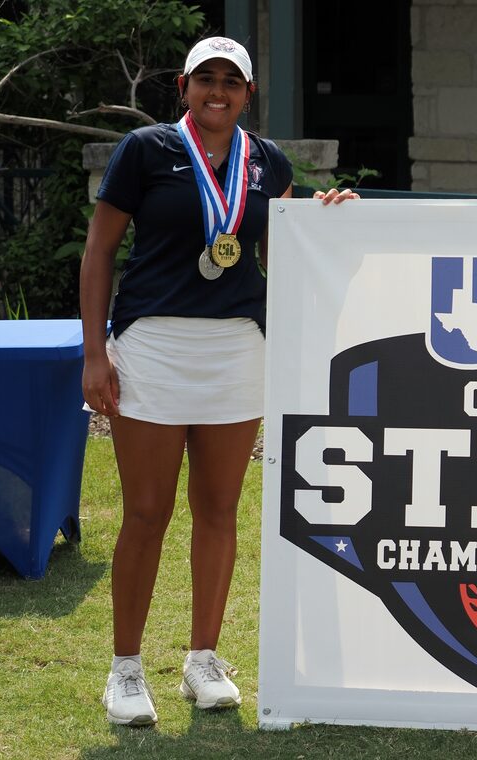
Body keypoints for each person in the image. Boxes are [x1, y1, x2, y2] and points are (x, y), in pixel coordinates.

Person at [80, 35, 358, 727]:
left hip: (237, 349)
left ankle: (204, 659)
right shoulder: (145, 150)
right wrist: (95, 353)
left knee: (219, 510)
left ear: (248, 93)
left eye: (231, 81)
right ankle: (125, 670)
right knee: (146, 513)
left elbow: (285, 253)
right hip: (152, 346)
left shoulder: (267, 163)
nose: (218, 90)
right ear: (184, 86)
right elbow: (99, 250)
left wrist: (327, 222)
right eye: (205, 77)